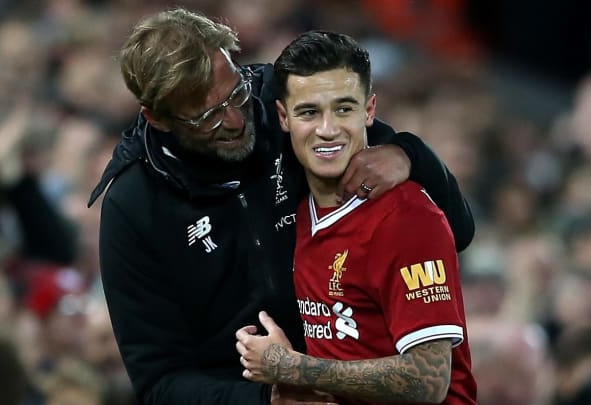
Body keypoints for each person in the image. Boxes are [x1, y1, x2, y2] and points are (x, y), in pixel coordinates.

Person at [89, 8, 474, 404]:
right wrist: (268, 398)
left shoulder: (292, 100)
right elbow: (158, 384)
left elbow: (456, 231)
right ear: (158, 119)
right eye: (208, 117)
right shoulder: (132, 206)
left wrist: (410, 154)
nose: (236, 120)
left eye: (236, 94)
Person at [235, 31, 476, 404]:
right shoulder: (295, 211)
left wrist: (292, 368)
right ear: (284, 117)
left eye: (344, 109)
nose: (327, 130)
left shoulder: (407, 218)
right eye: (309, 112)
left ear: (369, 109)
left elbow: (428, 380)